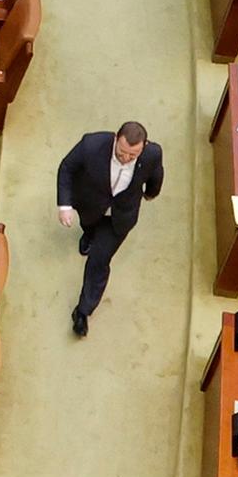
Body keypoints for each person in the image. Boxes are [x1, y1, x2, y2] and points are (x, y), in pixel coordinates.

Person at [54, 119, 162, 337]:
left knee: (99, 261)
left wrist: (151, 193)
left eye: (132, 155)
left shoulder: (152, 154)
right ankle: (89, 236)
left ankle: (83, 311)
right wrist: (64, 205)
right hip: (90, 205)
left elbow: (156, 174)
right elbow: (67, 168)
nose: (126, 159)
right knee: (89, 228)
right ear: (115, 139)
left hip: (120, 218)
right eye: (122, 153)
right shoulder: (91, 145)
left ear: (143, 146)